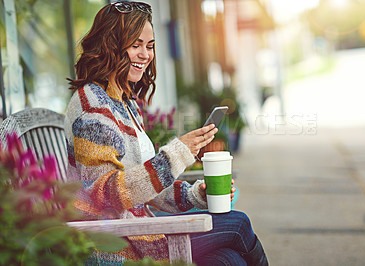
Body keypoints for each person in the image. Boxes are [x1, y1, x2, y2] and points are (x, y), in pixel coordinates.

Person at [65, 1, 268, 265]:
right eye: (135, 45)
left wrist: (195, 195)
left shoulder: (122, 102)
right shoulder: (92, 108)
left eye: (149, 46)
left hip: (140, 230)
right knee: (238, 223)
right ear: (110, 45)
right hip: (119, 244)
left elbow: (142, 188)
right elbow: (106, 194)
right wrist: (177, 153)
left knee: (228, 259)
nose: (145, 55)